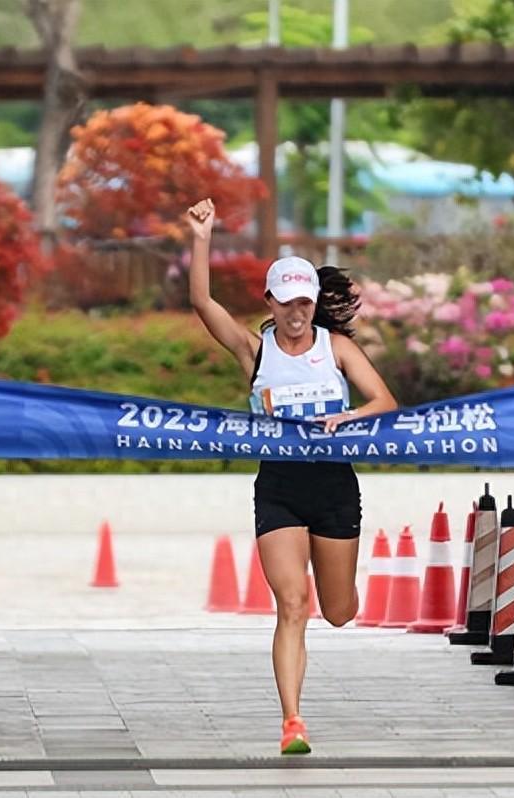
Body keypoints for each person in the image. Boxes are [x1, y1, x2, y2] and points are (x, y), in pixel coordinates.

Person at [186, 199, 397, 755]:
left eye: (305, 302)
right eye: (287, 302)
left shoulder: (337, 348)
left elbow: (384, 401)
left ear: (313, 302)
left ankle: (344, 589)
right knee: (293, 604)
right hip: (279, 488)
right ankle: (292, 721)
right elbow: (203, 302)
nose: (297, 312)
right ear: (271, 302)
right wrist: (202, 238)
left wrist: (350, 417)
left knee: (339, 611)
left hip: (334, 488)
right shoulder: (255, 352)